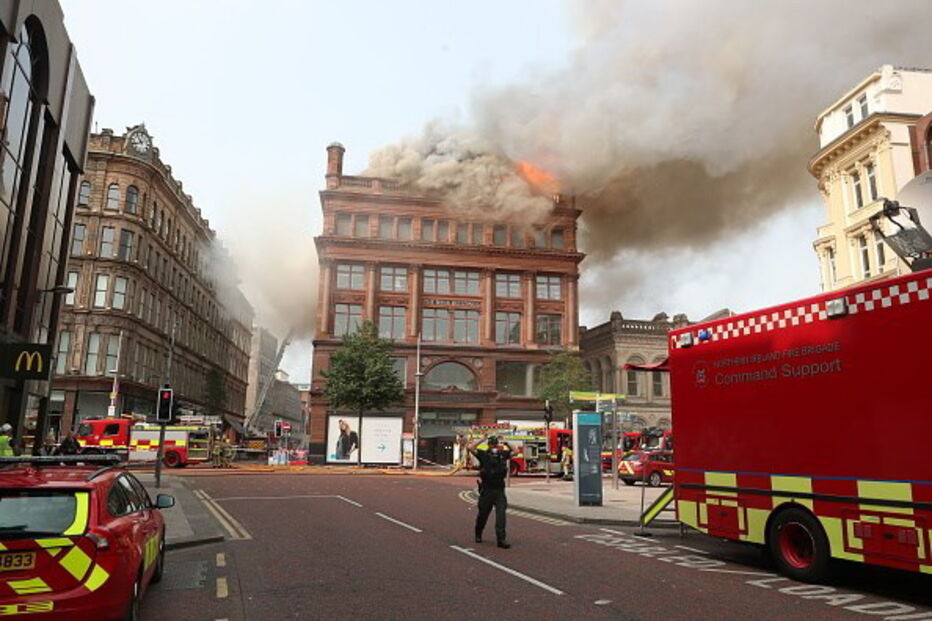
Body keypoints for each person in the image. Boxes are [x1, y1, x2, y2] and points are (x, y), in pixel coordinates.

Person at [468, 434, 511, 549]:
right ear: (488, 445)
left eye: (495, 444)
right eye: (492, 444)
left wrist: (505, 442)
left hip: (499, 490)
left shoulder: (502, 455)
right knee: (483, 514)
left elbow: (515, 451)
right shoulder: (483, 455)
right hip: (487, 490)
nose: (493, 446)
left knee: (501, 515)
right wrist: (482, 439)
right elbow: (471, 448)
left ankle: (501, 539)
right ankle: (478, 533)